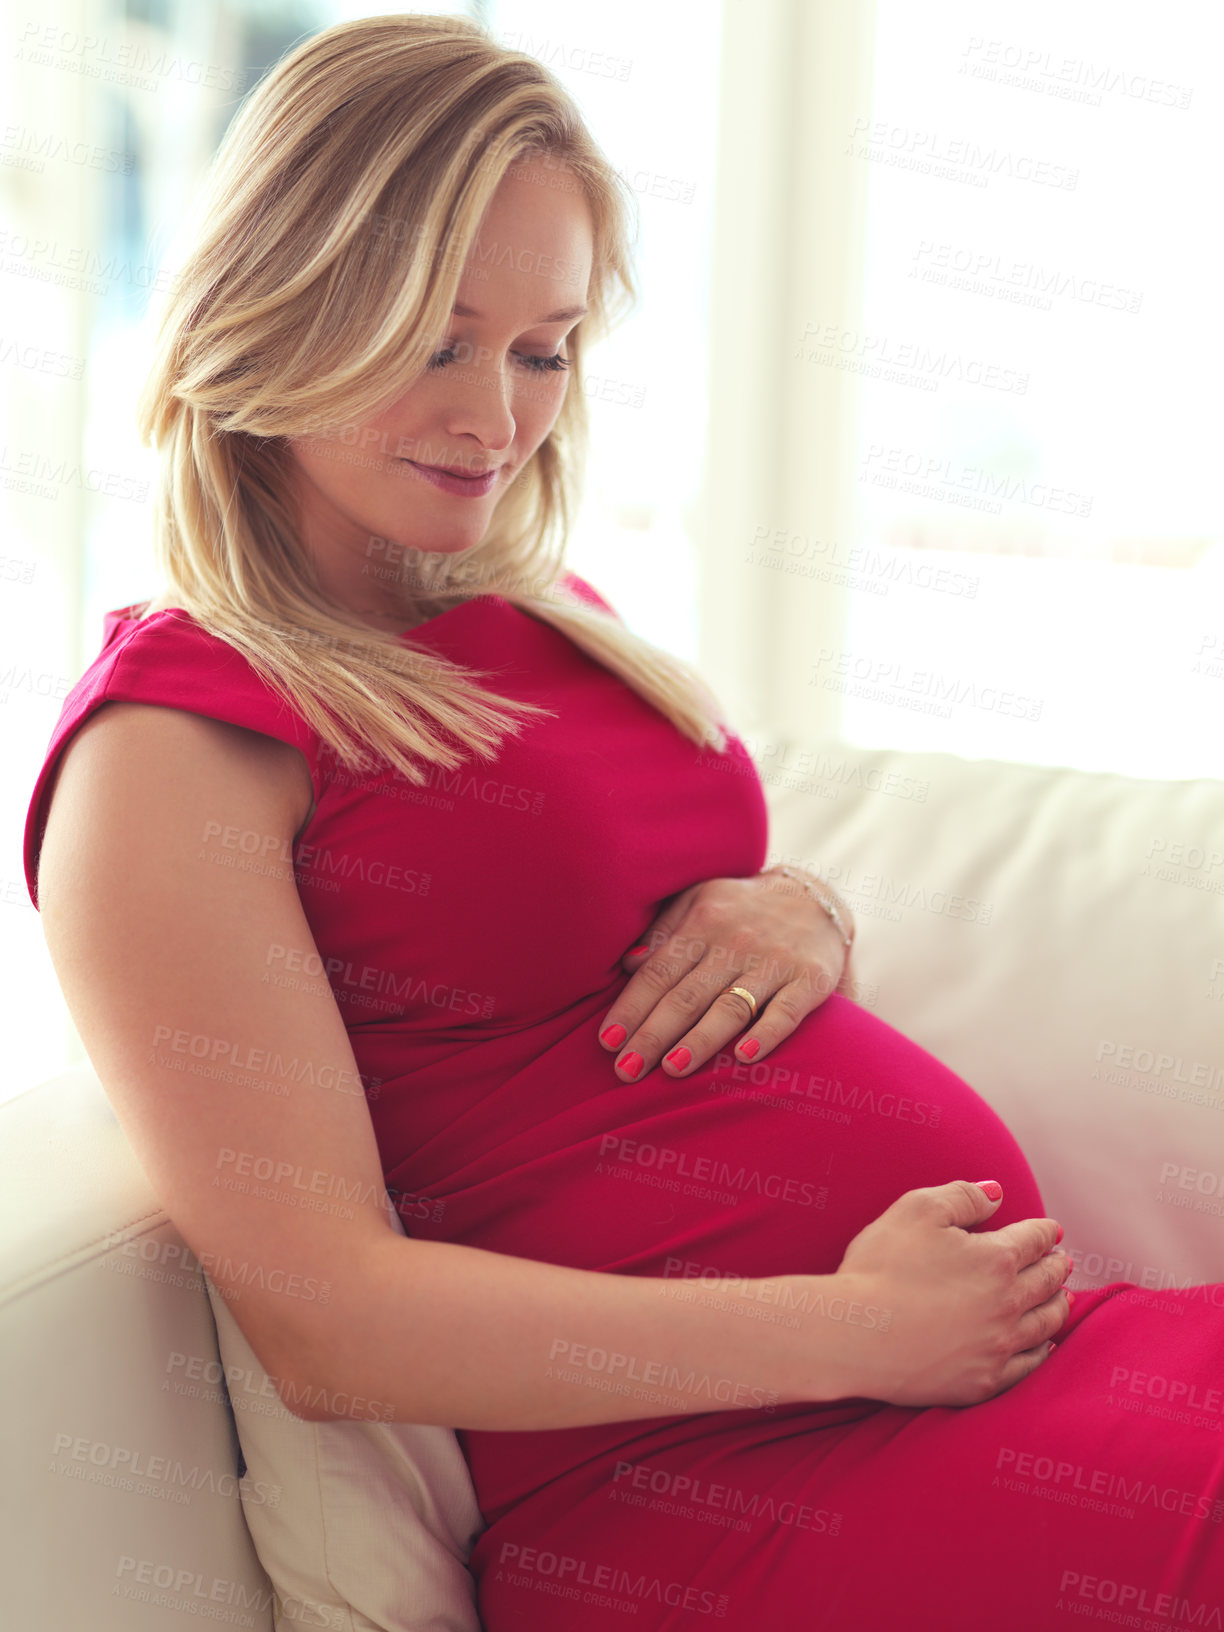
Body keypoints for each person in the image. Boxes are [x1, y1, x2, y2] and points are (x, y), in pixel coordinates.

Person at [22, 15, 1224, 1631]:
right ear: (283, 303)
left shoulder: (537, 612)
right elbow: (328, 1320)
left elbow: (642, 900)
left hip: (990, 1378)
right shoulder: (177, 739)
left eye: (545, 348)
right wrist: (852, 1330)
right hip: (728, 1486)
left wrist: (803, 900)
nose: (497, 417)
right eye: (436, 339)